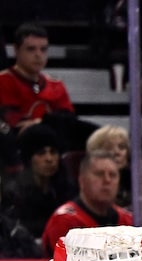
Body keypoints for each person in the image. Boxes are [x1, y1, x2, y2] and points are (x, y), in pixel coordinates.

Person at [0, 23, 86, 166]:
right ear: (16, 50)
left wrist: (39, 122)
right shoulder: (3, 81)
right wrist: (48, 121)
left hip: (56, 145)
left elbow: (69, 121)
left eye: (43, 49)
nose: (38, 55)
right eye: (31, 49)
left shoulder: (56, 85)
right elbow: (10, 122)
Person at [41, 150, 133, 256]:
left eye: (112, 175)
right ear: (82, 180)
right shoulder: (64, 220)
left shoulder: (127, 220)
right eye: (99, 174)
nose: (107, 180)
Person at [0, 125, 74, 238]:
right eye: (41, 153)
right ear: (29, 159)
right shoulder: (13, 193)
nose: (49, 159)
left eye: (53, 152)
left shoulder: (66, 189)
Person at [85, 125, 133, 208]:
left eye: (121, 147)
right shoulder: (88, 185)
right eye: (109, 148)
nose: (117, 152)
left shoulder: (133, 180)